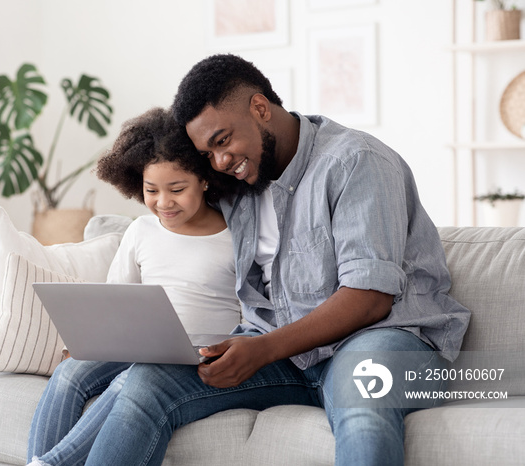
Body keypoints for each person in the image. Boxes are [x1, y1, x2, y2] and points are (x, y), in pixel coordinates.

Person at [82, 54, 471, 466]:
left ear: (260, 108)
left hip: (383, 337)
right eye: (207, 154)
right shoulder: (239, 183)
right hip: (286, 353)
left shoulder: (355, 161)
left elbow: (369, 297)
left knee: (362, 398)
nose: (219, 162)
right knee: (148, 382)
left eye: (222, 140)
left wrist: (263, 349)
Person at [26, 107, 241, 466]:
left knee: (132, 381)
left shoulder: (233, 236)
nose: (163, 202)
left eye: (177, 189)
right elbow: (116, 299)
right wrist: (81, 344)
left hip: (196, 356)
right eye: (151, 190)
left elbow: (251, 312)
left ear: (204, 180)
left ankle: (49, 463)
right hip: (139, 345)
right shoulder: (141, 231)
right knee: (68, 374)